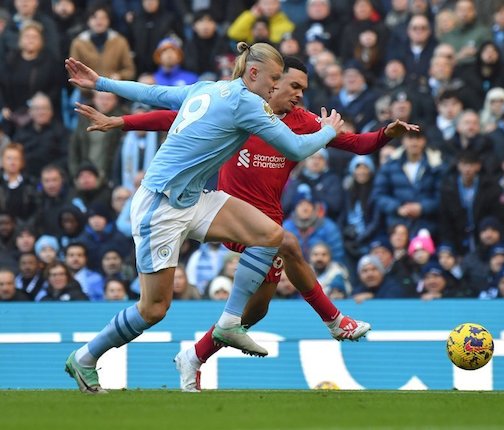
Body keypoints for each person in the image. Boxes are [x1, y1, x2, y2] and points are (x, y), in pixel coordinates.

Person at [76, 55, 419, 392]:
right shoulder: (248, 106)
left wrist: (383, 133)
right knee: (155, 308)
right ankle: (87, 357)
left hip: (211, 204)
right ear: (263, 76)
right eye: (286, 84)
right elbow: (166, 110)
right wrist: (119, 120)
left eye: (301, 87)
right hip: (164, 206)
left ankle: (196, 355)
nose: (293, 92)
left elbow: (156, 94)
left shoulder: (242, 99)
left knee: (257, 304)